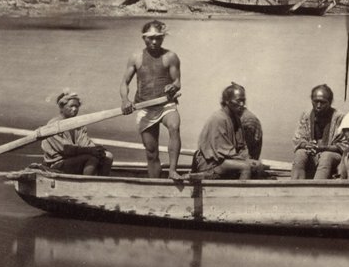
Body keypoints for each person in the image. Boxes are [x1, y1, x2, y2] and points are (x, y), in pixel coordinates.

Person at [120, 20, 182, 178]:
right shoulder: (136, 57)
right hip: (145, 107)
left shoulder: (170, 57)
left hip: (166, 104)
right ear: (143, 38)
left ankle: (173, 171)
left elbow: (177, 82)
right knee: (151, 153)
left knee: (174, 126)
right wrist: (125, 100)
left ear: (163, 38)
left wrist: (173, 87)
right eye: (151, 38)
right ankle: (155, 184)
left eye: (159, 38)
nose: (155, 41)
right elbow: (124, 83)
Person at [191, 83, 264, 179]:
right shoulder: (218, 119)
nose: (242, 104)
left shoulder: (235, 118)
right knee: (245, 167)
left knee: (258, 166)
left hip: (224, 160)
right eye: (238, 101)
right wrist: (245, 161)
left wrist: (248, 159)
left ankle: (251, 192)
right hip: (210, 163)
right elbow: (221, 153)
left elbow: (242, 146)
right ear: (227, 101)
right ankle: (240, 193)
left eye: (243, 101)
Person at [41, 91, 113, 175]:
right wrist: (90, 150)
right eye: (71, 106)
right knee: (91, 158)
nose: (74, 109)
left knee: (108, 156)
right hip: (58, 163)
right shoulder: (53, 125)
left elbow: (85, 143)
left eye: (77, 106)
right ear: (61, 107)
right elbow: (66, 149)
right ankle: (86, 185)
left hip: (74, 159)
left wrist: (96, 149)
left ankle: (101, 183)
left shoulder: (79, 125)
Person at [291, 84, 344, 180]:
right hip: (312, 154)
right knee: (300, 154)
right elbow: (298, 138)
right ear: (312, 100)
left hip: (332, 157)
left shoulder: (339, 118)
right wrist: (307, 145)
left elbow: (344, 145)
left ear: (330, 102)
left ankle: (317, 188)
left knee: (326, 157)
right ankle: (295, 187)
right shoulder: (306, 115)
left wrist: (324, 148)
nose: (318, 106)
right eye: (316, 102)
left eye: (323, 102)